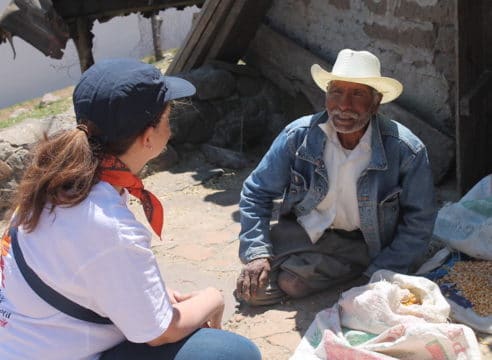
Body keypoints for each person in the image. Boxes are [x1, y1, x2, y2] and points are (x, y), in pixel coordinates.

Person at [0, 58, 261, 360]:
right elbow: (162, 332)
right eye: (167, 117)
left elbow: (87, 271)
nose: (171, 126)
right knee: (232, 353)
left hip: (23, 342)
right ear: (148, 138)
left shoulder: (58, 183)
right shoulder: (109, 226)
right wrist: (213, 298)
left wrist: (153, 296)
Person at [235, 49, 437, 306]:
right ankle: (331, 265)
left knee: (292, 283)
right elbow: (256, 192)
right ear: (326, 96)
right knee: (254, 291)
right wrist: (257, 254)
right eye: (336, 92)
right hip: (304, 232)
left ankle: (352, 266)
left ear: (376, 103)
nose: (344, 105)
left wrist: (382, 272)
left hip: (365, 241)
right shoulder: (298, 136)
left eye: (357, 94)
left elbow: (419, 221)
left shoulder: (405, 149)